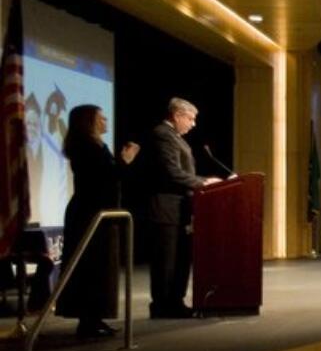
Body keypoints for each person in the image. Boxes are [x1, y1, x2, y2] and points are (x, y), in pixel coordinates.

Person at [57, 105, 140, 336]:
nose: (106, 121)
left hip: (97, 211)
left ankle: (94, 318)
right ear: (89, 122)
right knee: (90, 267)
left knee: (100, 268)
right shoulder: (85, 146)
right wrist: (125, 160)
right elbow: (105, 177)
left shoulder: (92, 145)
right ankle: (88, 321)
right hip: (89, 213)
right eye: (101, 118)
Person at [147, 98, 221, 318]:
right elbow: (171, 172)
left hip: (180, 209)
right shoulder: (162, 134)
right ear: (177, 115)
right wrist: (203, 182)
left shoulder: (176, 138)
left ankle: (175, 302)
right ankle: (163, 305)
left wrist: (204, 181)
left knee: (180, 259)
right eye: (190, 118)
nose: (193, 124)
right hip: (166, 208)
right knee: (166, 262)